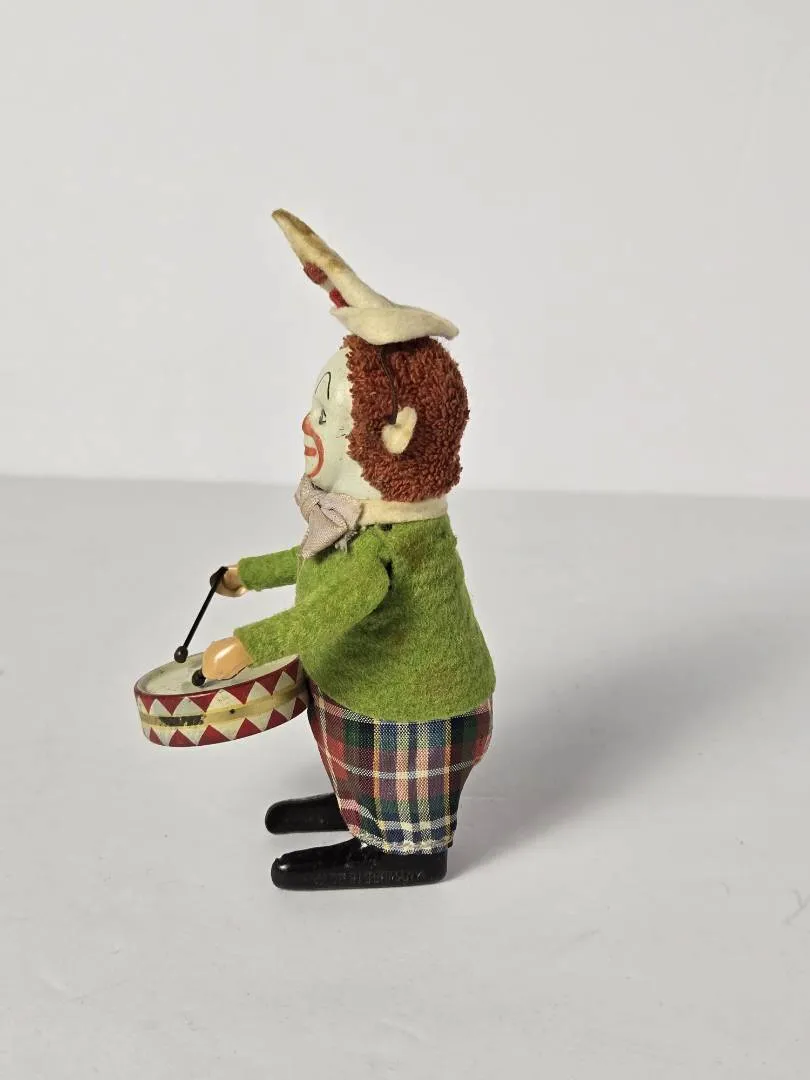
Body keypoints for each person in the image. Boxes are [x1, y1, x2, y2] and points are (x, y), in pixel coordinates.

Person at [202, 210, 495, 890]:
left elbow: (329, 609)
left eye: (327, 411)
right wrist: (249, 573)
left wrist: (246, 645)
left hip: (410, 708)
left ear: (395, 434)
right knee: (358, 762)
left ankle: (406, 851)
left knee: (395, 775)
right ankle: (356, 808)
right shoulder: (359, 522)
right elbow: (314, 559)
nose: (309, 424)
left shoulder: (387, 545)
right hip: (363, 686)